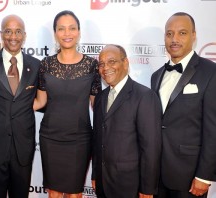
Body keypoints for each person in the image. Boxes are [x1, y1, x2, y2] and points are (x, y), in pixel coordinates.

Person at [33, 10, 102, 198]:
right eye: (61, 29)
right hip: (50, 138)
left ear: (79, 32)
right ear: (55, 33)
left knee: (75, 193)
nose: (67, 33)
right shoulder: (45, 64)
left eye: (72, 28)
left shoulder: (91, 65)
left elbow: (98, 106)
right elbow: (40, 101)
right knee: (54, 192)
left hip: (80, 139)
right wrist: (9, 105)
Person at [151, 12, 216, 198]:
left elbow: (213, 129)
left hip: (189, 176)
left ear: (194, 36)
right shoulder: (156, 76)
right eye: (169, 33)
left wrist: (204, 176)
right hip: (156, 176)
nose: (174, 39)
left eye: (182, 33)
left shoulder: (211, 72)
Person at [0, 14, 40, 198]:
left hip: (23, 149)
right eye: (8, 31)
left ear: (24, 35)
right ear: (1, 34)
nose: (13, 36)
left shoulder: (36, 66)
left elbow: (41, 100)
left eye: (18, 31)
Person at [92, 44, 162, 198]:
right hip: (103, 184)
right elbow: (98, 140)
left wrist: (147, 188)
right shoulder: (100, 98)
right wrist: (95, 175)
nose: (105, 68)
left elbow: (151, 148)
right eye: (101, 64)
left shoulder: (145, 96)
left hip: (130, 186)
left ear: (125, 63)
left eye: (112, 62)